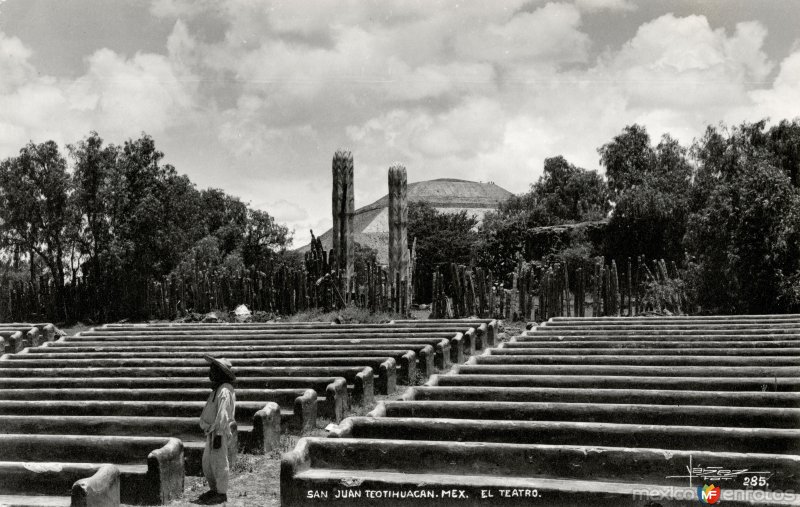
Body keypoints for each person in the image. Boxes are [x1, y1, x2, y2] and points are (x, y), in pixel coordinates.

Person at [198, 355, 236, 504]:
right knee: (208, 462)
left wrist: (219, 434)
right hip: (212, 430)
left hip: (219, 431)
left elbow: (223, 414)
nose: (210, 372)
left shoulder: (225, 390)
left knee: (219, 462)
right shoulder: (218, 389)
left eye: (213, 369)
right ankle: (214, 489)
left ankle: (221, 492)